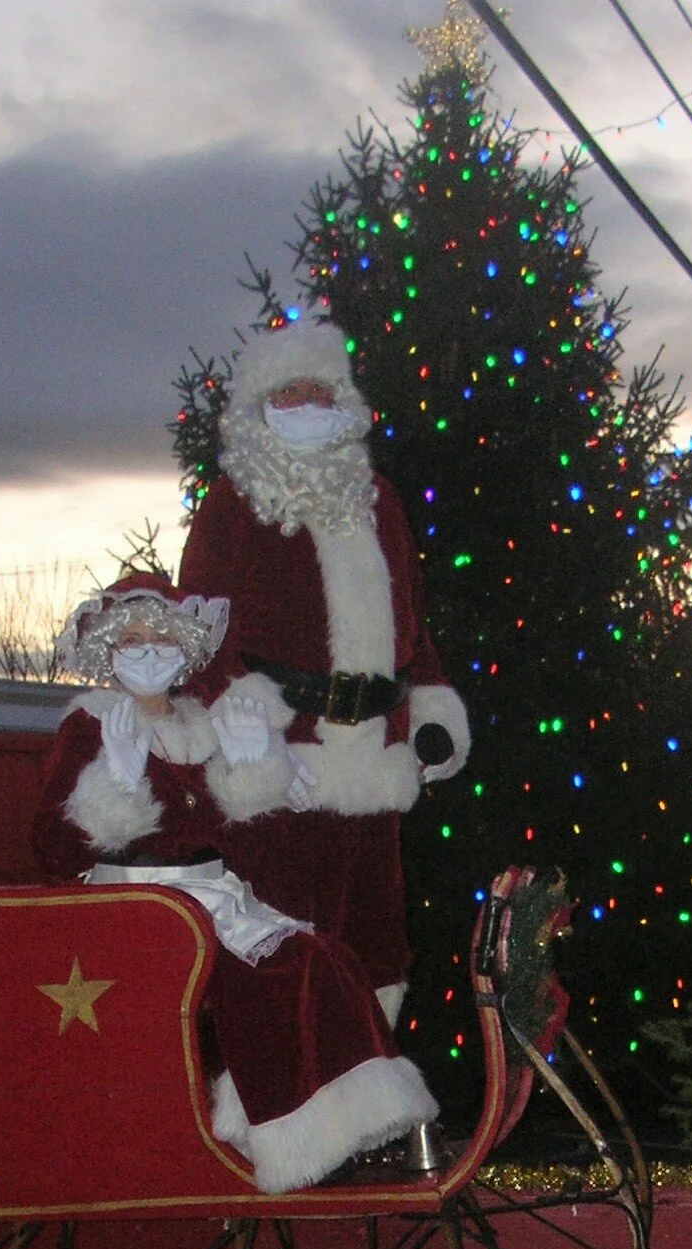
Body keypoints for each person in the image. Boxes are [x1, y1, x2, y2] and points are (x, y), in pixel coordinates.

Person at [31, 582, 437, 1193]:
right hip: (139, 911)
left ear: (186, 648)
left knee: (324, 957)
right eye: (133, 641)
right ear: (106, 653)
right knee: (269, 975)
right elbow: (53, 850)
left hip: (211, 898)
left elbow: (236, 847)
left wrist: (255, 775)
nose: (148, 652)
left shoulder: (202, 727)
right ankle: (286, 1142)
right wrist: (114, 781)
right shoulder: (92, 724)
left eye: (162, 638)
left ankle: (329, 1131)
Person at [176, 312, 470, 1027]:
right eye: (289, 394)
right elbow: (197, 629)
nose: (308, 406)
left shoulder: (381, 502)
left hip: (374, 763)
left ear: (344, 404)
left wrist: (430, 706)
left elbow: (412, 627)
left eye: (321, 392)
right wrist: (239, 718)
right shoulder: (232, 506)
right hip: (285, 768)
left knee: (377, 955)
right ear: (258, 409)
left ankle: (365, 1111)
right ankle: (279, 1127)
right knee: (286, 954)